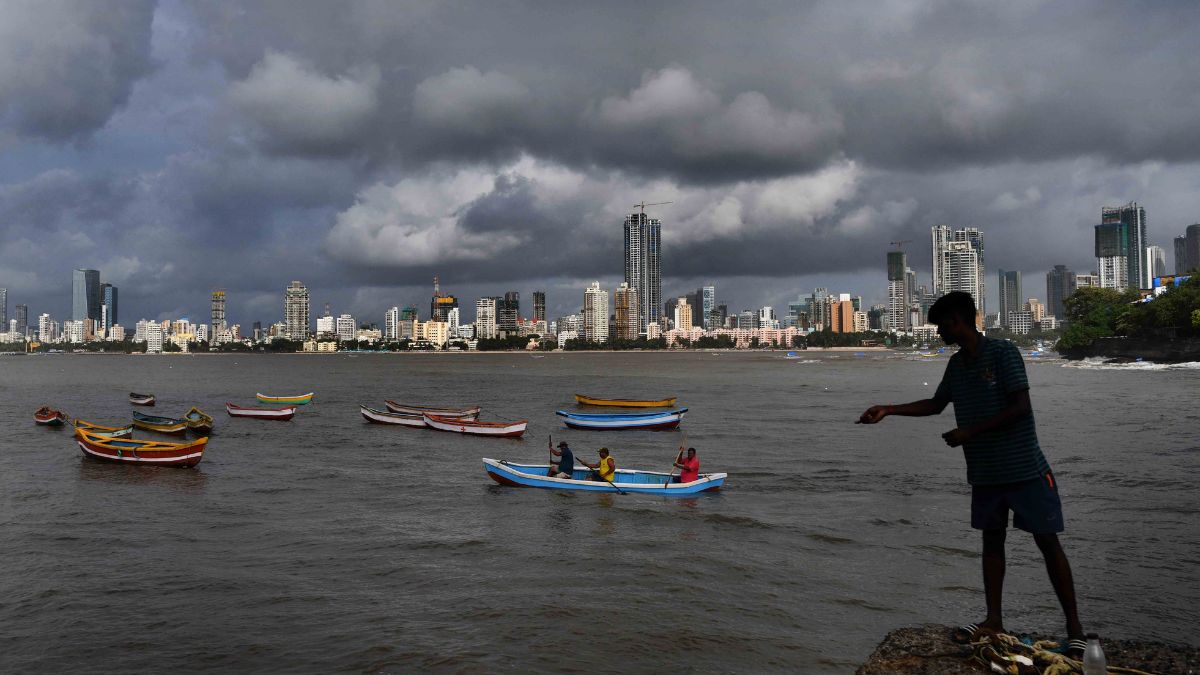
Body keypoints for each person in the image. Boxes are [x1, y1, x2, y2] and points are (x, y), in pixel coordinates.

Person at [857, 291, 1085, 657]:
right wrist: (889, 409)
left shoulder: (1004, 352)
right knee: (992, 544)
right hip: (986, 473)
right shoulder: (957, 364)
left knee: (1047, 542)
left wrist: (970, 432)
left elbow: (1021, 408)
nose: (938, 333)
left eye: (940, 326)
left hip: (1025, 468)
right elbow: (935, 405)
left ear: (957, 321)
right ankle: (993, 620)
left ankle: (1075, 629)